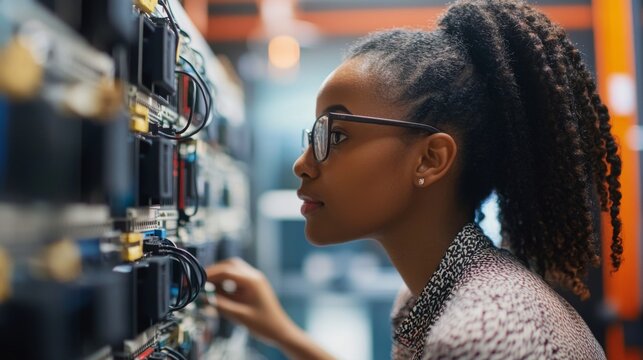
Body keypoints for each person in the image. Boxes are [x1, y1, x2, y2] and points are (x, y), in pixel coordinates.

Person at [206, 0, 623, 358]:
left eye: (336, 135)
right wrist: (283, 333)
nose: (302, 164)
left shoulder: (478, 335)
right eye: (311, 137)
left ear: (429, 159)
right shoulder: (436, 291)